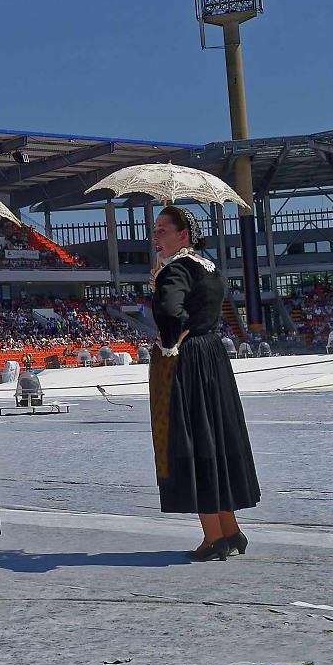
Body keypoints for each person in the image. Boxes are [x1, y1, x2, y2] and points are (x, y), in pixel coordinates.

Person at [149, 205, 260, 561]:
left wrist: (169, 339)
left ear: (183, 235)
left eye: (163, 229)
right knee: (215, 439)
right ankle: (230, 531)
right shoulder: (208, 267)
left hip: (189, 361)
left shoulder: (175, 270)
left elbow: (170, 312)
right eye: (155, 229)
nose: (155, 235)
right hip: (213, 356)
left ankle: (212, 538)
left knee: (194, 441)